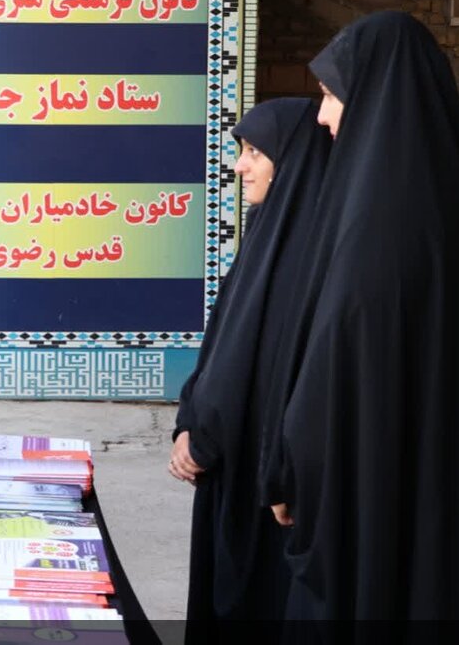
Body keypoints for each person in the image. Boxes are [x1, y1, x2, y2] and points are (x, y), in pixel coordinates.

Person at [259, 11, 459, 627]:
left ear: (374, 96)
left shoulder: (375, 225)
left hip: (374, 490)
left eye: (331, 95)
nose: (323, 116)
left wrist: (289, 470)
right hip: (456, 493)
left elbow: (336, 364)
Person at [168, 98, 332, 626]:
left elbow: (249, 361)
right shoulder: (270, 230)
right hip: (234, 457)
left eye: (256, 152)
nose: (240, 166)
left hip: (261, 464)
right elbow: (222, 341)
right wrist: (188, 420)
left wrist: (203, 436)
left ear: (293, 160)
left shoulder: (309, 251)